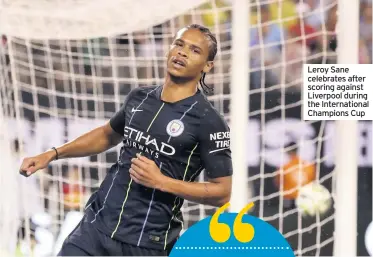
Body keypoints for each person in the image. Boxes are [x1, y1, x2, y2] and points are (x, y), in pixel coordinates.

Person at [19, 24, 233, 256]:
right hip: (96, 227)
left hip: (147, 242)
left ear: (208, 65)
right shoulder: (139, 98)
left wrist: (162, 181)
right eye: (179, 44)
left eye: (194, 50)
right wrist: (53, 153)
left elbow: (222, 192)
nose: (182, 52)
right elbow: (107, 134)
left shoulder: (209, 121)